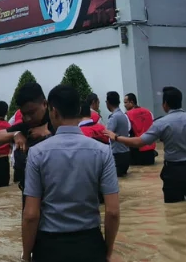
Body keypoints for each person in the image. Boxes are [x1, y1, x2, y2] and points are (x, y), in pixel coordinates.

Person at [22, 84, 120, 262]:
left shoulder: (37, 153)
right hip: (90, 244)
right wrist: (108, 250)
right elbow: (112, 211)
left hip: (49, 247)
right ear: (79, 110)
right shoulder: (103, 151)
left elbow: (31, 215)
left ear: (54, 111)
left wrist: (27, 255)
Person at [109, 86, 186, 204]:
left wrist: (116, 137)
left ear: (165, 104)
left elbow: (139, 142)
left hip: (173, 171)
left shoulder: (161, 123)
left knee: (174, 210)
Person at [0, 82, 53, 203]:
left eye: (32, 112)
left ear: (45, 104)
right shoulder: (25, 127)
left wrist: (49, 136)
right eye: (24, 114)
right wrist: (14, 134)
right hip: (30, 197)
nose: (28, 118)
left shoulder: (56, 125)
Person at [123, 93, 157, 166]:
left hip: (137, 151)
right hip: (150, 151)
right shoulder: (149, 112)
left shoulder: (127, 115)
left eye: (125, 102)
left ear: (131, 102)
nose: (124, 105)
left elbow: (127, 132)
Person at [103, 91, 131, 178]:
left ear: (108, 103)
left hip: (117, 156)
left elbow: (106, 134)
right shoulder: (123, 115)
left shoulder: (114, 117)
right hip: (126, 154)